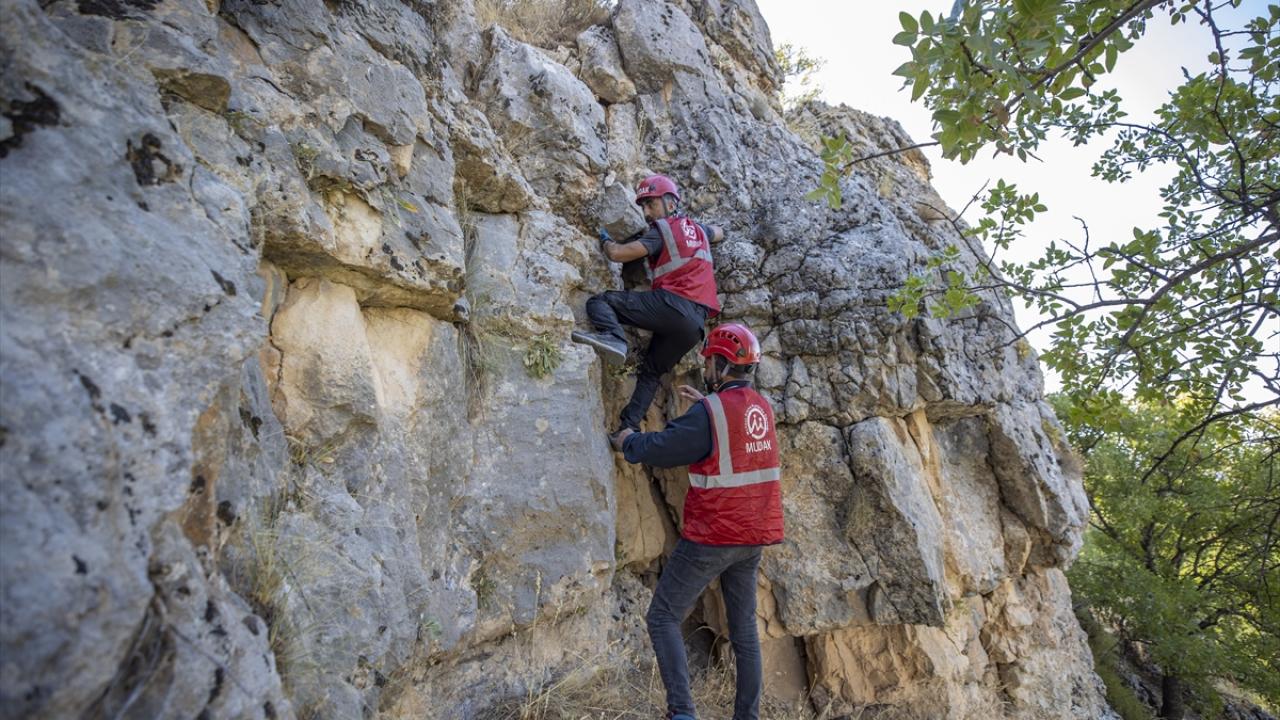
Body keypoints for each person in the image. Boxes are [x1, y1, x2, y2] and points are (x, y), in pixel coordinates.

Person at [610, 323, 783, 720]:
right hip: (752, 535)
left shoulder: (711, 412)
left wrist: (628, 442)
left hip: (715, 534)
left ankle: (683, 714)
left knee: (662, 616)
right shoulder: (761, 406)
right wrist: (706, 405)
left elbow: (666, 448)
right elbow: (731, 433)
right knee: (744, 633)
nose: (706, 368)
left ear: (722, 366)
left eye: (709, 363)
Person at [572, 174, 722, 437]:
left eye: (651, 204)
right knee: (651, 372)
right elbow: (720, 232)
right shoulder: (699, 230)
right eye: (643, 206)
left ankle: (614, 337)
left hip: (672, 304)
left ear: (670, 203)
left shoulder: (662, 230)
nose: (646, 212)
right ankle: (626, 431)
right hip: (695, 326)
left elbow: (618, 255)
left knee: (601, 301)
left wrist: (606, 240)